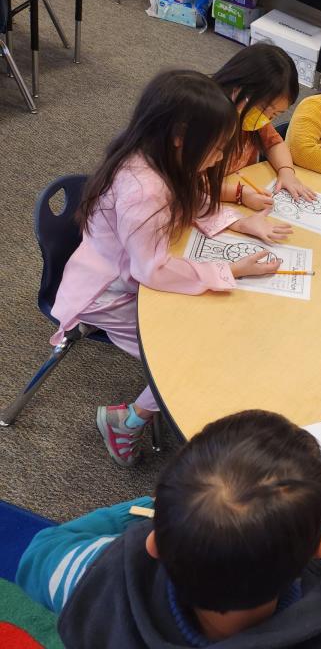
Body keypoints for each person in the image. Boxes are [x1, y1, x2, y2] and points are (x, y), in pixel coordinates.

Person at [16, 410, 321, 648]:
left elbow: (42, 549)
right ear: (318, 548)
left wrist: (163, 509)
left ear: (156, 542)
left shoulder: (90, 577)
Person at [51, 70, 293, 466]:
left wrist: (235, 221)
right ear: (181, 136)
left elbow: (190, 197)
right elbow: (154, 272)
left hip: (129, 272)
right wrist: (230, 270)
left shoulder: (155, 155)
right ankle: (127, 421)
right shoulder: (144, 191)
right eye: (216, 150)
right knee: (193, 351)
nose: (219, 159)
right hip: (109, 293)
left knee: (212, 327)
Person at [212, 44, 317, 209]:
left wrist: (286, 171)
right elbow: (193, 186)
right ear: (237, 88)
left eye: (274, 115)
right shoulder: (208, 121)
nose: (266, 119)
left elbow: (275, 143)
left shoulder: (251, 118)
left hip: (244, 187)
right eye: (263, 109)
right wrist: (240, 194)